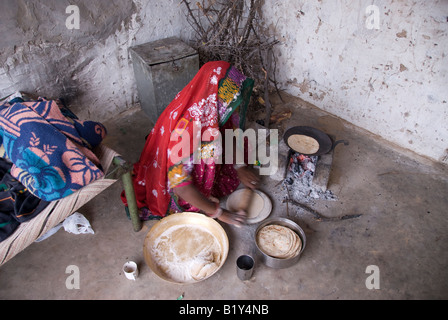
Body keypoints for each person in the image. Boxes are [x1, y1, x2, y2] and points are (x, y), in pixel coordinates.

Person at [121, 61, 259, 226]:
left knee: (235, 150)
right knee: (192, 203)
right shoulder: (185, 131)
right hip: (175, 175)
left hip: (198, 151)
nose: (231, 107)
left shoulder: (215, 107)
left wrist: (240, 166)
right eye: (228, 103)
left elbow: (230, 133)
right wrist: (219, 213)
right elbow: (181, 187)